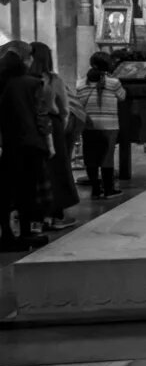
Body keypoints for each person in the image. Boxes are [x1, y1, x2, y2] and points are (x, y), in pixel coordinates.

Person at [0, 40, 53, 250]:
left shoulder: (3, 82)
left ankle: (7, 234)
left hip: (8, 144)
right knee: (27, 192)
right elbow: (41, 116)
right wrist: (49, 143)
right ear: (25, 60)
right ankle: (24, 234)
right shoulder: (32, 83)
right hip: (30, 144)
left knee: (6, 192)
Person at [30, 42, 79, 230]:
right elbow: (65, 108)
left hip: (32, 125)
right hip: (53, 124)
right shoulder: (53, 80)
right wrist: (62, 125)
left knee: (37, 170)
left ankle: (36, 217)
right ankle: (55, 215)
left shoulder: (23, 80)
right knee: (57, 170)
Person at [76, 52, 126, 200]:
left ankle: (96, 190)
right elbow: (122, 97)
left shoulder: (81, 83)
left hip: (89, 125)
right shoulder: (114, 83)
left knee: (90, 158)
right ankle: (109, 190)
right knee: (107, 157)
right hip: (109, 126)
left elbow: (78, 102)